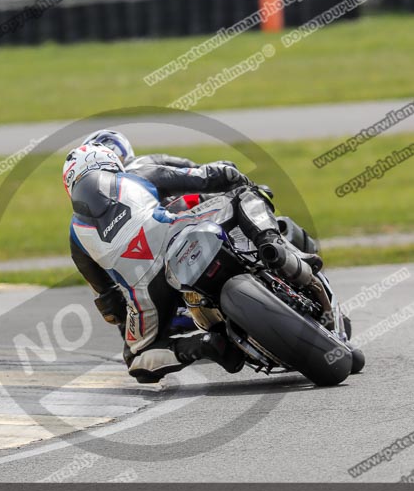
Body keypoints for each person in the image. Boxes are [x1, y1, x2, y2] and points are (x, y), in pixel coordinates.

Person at [64, 140, 316, 384]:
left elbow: (108, 303)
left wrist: (128, 313)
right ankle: (274, 247)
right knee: (244, 195)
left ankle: (202, 346)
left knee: (136, 359)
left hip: (146, 290)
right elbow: (206, 176)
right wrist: (236, 178)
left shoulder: (75, 235)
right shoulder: (139, 172)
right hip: (179, 234)